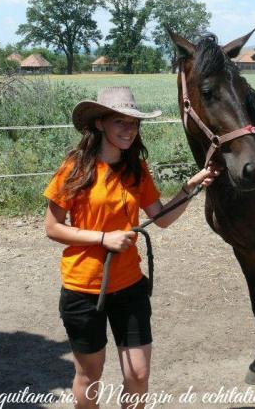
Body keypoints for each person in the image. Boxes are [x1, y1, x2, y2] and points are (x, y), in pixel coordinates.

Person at [44, 87, 219, 409]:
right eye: (120, 122)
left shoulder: (136, 170)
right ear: (99, 124)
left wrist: (188, 189)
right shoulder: (75, 168)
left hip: (130, 286)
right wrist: (102, 238)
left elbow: (160, 219)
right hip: (84, 290)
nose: (129, 130)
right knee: (89, 376)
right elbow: (52, 228)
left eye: (134, 123)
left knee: (138, 374)